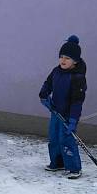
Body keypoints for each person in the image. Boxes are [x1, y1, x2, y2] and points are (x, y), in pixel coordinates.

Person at [39, 35, 87, 179]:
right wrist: (44, 95)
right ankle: (57, 162)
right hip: (55, 112)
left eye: (67, 58)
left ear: (75, 61)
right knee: (54, 139)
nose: (63, 60)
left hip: (68, 115)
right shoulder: (56, 71)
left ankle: (73, 168)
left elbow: (77, 101)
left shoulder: (77, 78)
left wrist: (73, 120)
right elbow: (48, 84)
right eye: (61, 57)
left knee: (66, 140)